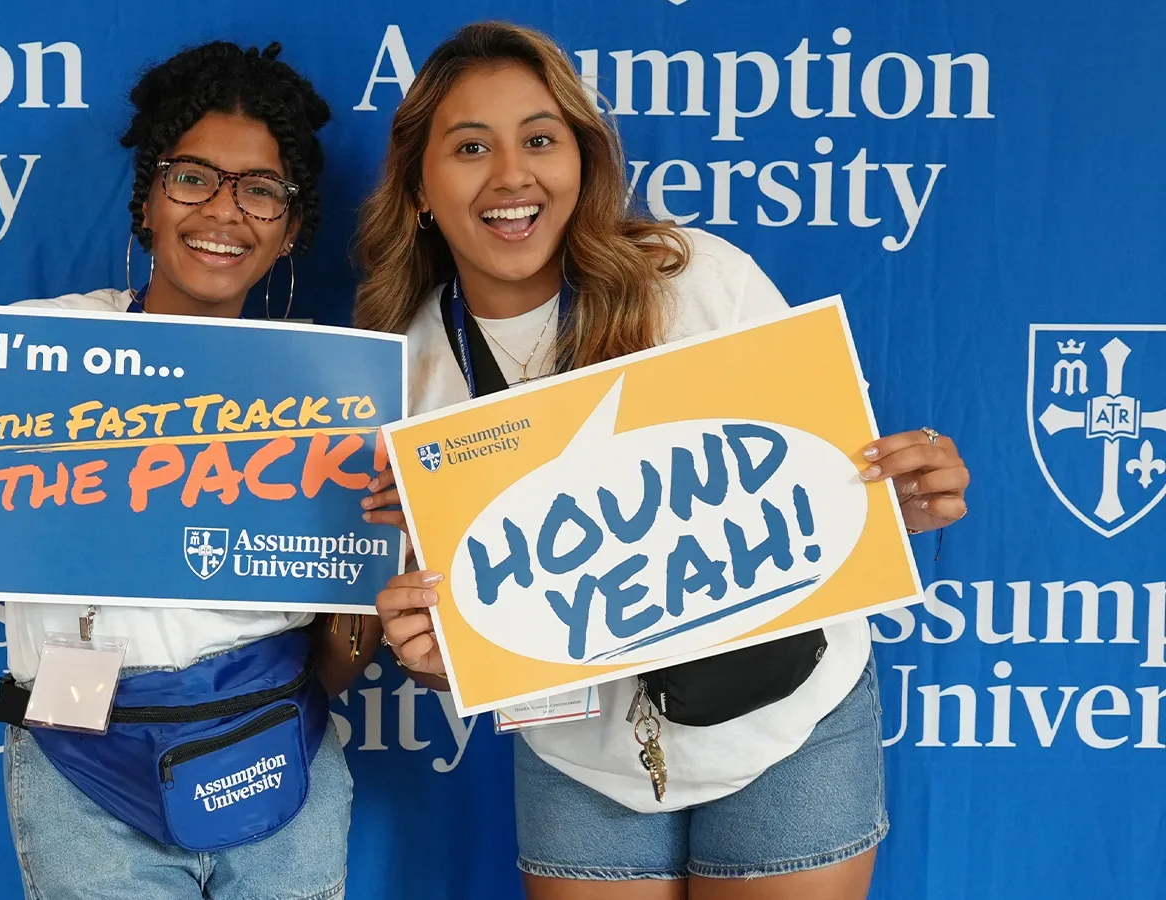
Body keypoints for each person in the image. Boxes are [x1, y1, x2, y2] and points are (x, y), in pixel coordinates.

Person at [354, 22, 970, 900]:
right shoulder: (401, 363)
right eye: (469, 147)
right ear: (418, 185)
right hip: (583, 753)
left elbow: (830, 482)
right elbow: (444, 595)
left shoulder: (694, 279)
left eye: (539, 138)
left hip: (787, 718)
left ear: (582, 160)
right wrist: (435, 648)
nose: (511, 176)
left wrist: (900, 498)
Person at [0, 41, 371, 900]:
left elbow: (340, 656)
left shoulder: (334, 392)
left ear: (293, 224)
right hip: (81, 770)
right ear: (148, 201)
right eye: (193, 177)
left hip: (283, 755)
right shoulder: (24, 358)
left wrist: (371, 584)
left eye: (261, 189)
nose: (224, 211)